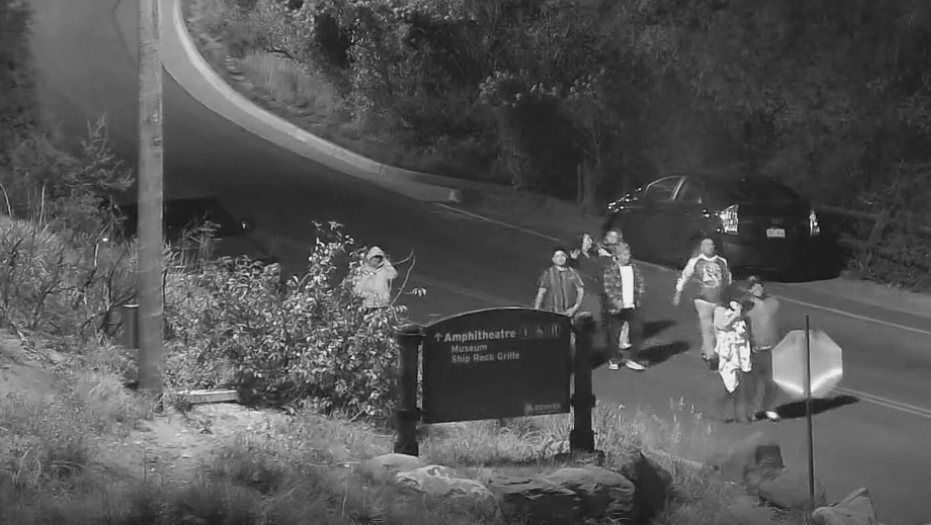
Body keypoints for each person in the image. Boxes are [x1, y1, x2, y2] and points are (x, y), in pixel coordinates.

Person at [672, 236, 732, 366]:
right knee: (707, 327)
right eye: (706, 245)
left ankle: (711, 349)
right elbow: (684, 276)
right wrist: (678, 293)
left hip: (719, 300)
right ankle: (711, 356)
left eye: (711, 245)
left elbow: (728, 279)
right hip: (702, 300)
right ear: (701, 247)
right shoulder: (695, 262)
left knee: (720, 327)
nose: (709, 247)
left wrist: (728, 295)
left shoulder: (722, 261)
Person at [712, 284, 754, 423]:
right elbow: (721, 325)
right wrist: (735, 316)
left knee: (742, 384)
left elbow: (745, 326)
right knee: (731, 386)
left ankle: (741, 414)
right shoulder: (719, 310)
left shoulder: (739, 308)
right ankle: (722, 412)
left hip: (741, 349)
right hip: (727, 352)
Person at [743, 276, 782, 422]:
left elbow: (776, 324)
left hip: (771, 349)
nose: (758, 289)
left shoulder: (773, 302)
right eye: (754, 287)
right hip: (754, 350)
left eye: (760, 286)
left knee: (772, 382)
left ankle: (769, 408)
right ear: (749, 289)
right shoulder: (746, 306)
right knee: (753, 383)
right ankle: (749, 411)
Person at [603, 242, 647, 371]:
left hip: (632, 306)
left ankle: (633, 358)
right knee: (614, 334)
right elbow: (608, 287)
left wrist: (639, 297)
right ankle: (614, 358)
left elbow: (641, 283)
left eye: (628, 254)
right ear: (617, 256)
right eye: (624, 254)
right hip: (616, 308)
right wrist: (616, 300)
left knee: (637, 331)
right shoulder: (611, 270)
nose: (628, 256)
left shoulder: (634, 268)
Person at [570, 233, 611, 350]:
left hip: (597, 293)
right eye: (587, 239)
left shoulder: (591, 255)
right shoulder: (580, 258)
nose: (590, 241)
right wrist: (607, 257)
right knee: (594, 321)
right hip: (589, 295)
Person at [534, 247, 585, 316]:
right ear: (553, 259)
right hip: (551, 313)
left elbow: (580, 291)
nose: (560, 258)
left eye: (563, 256)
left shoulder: (572, 272)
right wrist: (536, 311)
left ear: (566, 257)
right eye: (557, 256)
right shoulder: (548, 273)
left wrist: (575, 308)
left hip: (569, 314)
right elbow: (541, 293)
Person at [351, 246, 398, 311]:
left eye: (379, 258)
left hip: (382, 305)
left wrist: (385, 261)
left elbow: (394, 274)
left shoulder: (384, 270)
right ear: (369, 258)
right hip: (367, 306)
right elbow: (356, 289)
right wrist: (366, 295)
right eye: (374, 257)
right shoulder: (363, 270)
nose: (376, 260)